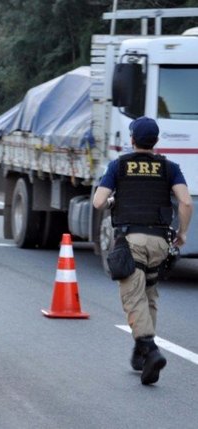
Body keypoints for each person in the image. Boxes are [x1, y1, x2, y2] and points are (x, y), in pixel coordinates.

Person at [93, 116, 193, 385]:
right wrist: (182, 233)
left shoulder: (119, 165)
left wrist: (115, 198)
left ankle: (150, 349)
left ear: (132, 140)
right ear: (156, 141)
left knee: (132, 296)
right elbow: (185, 202)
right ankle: (140, 354)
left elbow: (98, 201)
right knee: (148, 292)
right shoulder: (169, 168)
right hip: (160, 242)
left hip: (131, 241)